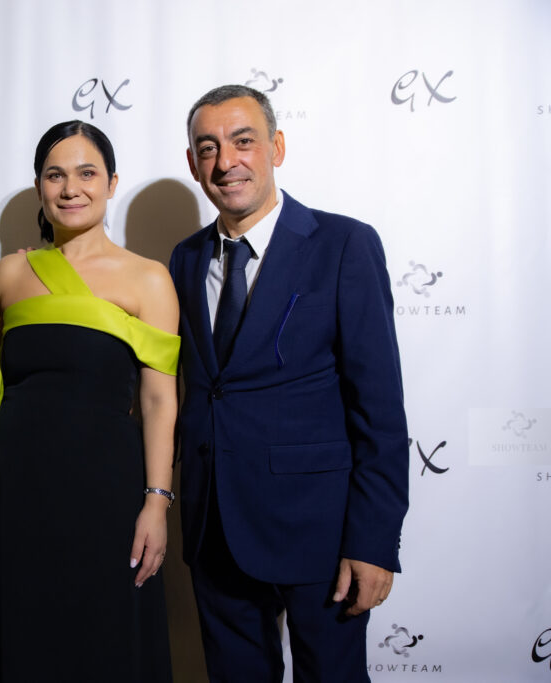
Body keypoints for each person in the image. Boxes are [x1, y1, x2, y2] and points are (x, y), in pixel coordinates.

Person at [169, 84, 409, 682]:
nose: (226, 162)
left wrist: (373, 541)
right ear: (194, 164)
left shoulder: (344, 244)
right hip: (214, 529)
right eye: (208, 148)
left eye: (243, 141)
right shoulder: (184, 259)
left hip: (319, 534)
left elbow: (379, 410)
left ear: (276, 147)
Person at [0, 121, 180, 682]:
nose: (71, 188)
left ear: (111, 183)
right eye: (55, 175)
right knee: (24, 638)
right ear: (39, 186)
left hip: (108, 497)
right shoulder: (7, 275)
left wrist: (156, 503)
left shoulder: (149, 279)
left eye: (87, 173)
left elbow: (159, 401)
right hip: (17, 495)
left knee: (104, 643)